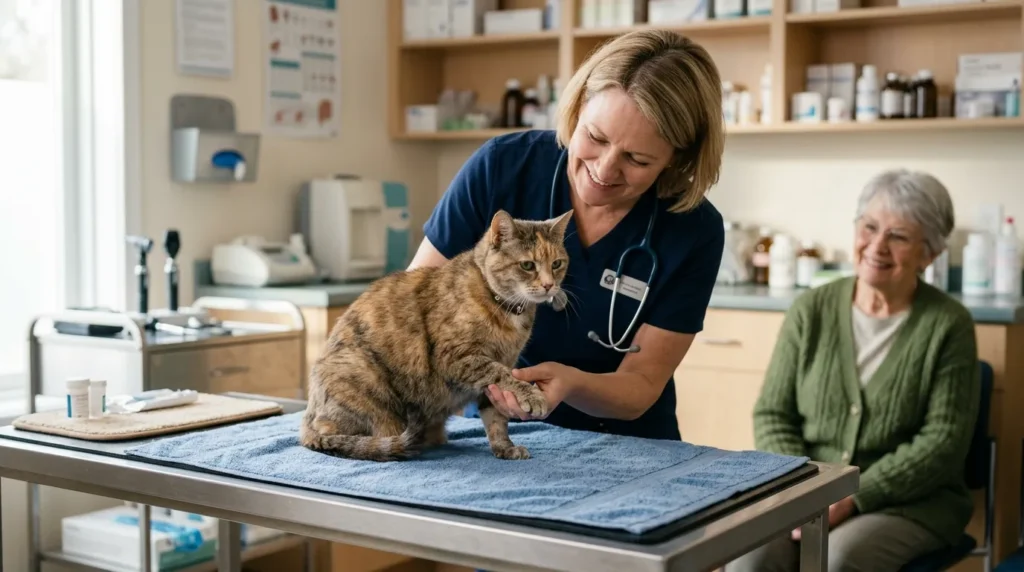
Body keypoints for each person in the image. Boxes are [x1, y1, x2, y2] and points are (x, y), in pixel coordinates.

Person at [407, 29, 726, 440]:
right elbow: (415, 306)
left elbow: (643, 384)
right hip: (490, 437)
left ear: (675, 160)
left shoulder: (692, 229)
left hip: (627, 449)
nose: (605, 170)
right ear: (577, 109)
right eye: (595, 137)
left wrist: (572, 384)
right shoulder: (503, 168)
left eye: (637, 159)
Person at [726, 169, 981, 572]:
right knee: (748, 558)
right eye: (870, 227)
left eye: (898, 236)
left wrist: (852, 497)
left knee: (838, 559)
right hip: (803, 489)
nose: (877, 246)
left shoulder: (949, 324)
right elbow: (773, 413)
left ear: (929, 254)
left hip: (908, 503)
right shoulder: (811, 309)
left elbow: (942, 443)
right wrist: (804, 492)